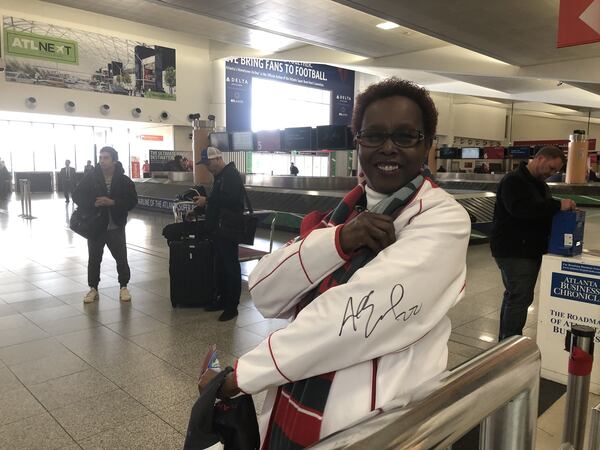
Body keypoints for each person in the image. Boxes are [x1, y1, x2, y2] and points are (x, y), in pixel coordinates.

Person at [198, 78, 471, 447]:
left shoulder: (443, 220)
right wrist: (341, 240)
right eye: (373, 135)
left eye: (405, 136)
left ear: (425, 144)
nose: (388, 148)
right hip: (299, 405)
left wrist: (242, 375)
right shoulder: (341, 217)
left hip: (383, 421)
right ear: (357, 141)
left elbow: (352, 317)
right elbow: (264, 289)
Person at [491, 146, 576, 340]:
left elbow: (542, 209)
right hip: (514, 249)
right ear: (540, 159)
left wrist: (561, 208)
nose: (551, 173)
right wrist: (556, 205)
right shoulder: (514, 181)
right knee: (520, 297)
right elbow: (521, 210)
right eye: (551, 168)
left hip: (530, 249)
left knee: (515, 296)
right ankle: (510, 343)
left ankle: (506, 341)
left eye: (555, 171)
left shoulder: (539, 184)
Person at [73, 147, 138, 304]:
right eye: (101, 157)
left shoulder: (123, 180)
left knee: (121, 257)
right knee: (94, 258)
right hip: (96, 225)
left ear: (114, 160)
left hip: (115, 226)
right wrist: (93, 203)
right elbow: (77, 195)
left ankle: (123, 286)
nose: (102, 161)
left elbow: (132, 201)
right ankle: (93, 288)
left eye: (106, 158)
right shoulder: (91, 178)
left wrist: (113, 202)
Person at [193, 146, 244, 322]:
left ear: (217, 159)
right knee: (220, 266)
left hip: (228, 228)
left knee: (231, 267)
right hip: (219, 228)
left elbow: (232, 200)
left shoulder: (230, 175)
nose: (207, 167)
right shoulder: (220, 176)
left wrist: (207, 200)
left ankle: (232, 306)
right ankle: (222, 299)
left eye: (208, 163)